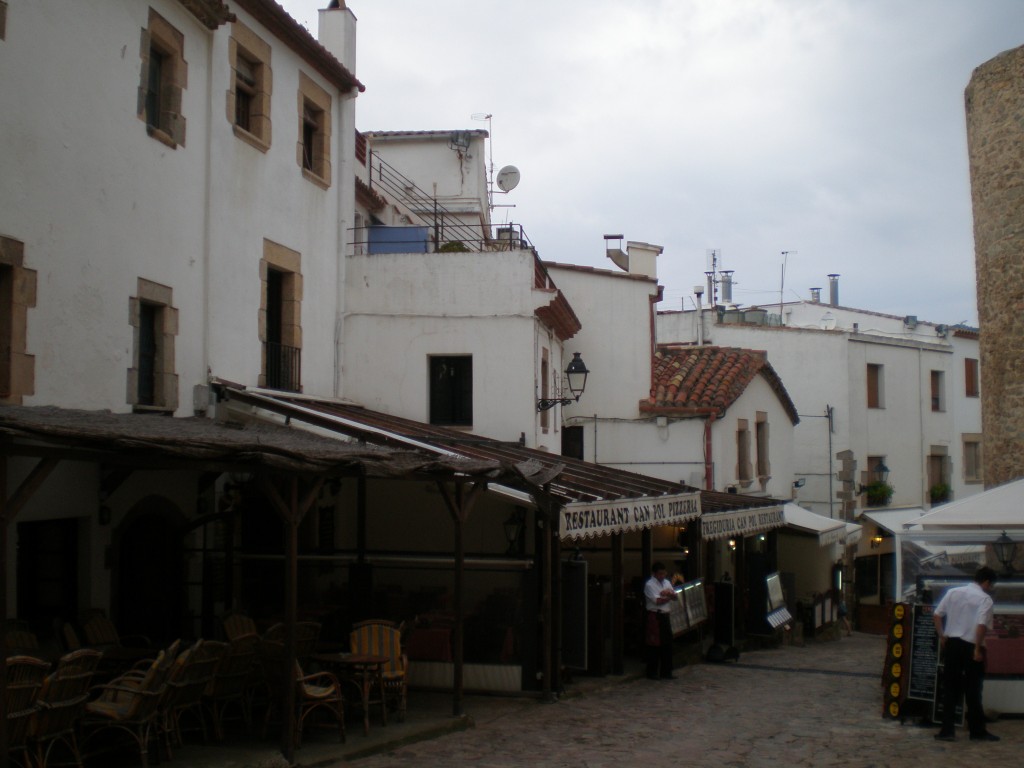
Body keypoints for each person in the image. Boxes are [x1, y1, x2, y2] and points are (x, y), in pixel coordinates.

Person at [933, 565, 999, 742]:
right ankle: (977, 730)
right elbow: (981, 626)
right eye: (990, 585)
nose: (990, 589)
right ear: (986, 582)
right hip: (971, 645)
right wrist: (977, 648)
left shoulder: (953, 592)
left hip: (952, 644)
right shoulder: (985, 600)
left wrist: (942, 636)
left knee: (950, 688)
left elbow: (937, 615)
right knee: (973, 689)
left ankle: (947, 730)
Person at [644, 561, 676, 680]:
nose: (662, 576)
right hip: (655, 616)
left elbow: (675, 596)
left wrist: (667, 595)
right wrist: (668, 597)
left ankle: (666, 671)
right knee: (654, 644)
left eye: (664, 573)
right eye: (660, 574)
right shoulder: (650, 585)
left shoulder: (667, 582)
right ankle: (652, 672)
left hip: (665, 615)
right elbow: (657, 601)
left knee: (667, 644)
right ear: (654, 574)